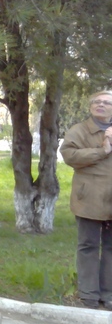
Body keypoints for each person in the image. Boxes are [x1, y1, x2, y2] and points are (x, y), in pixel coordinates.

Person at [59, 91, 112, 310]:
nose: (100, 105)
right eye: (96, 102)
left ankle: (108, 295)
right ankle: (89, 295)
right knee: (88, 245)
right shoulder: (79, 130)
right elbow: (69, 156)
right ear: (90, 106)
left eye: (106, 102)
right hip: (89, 197)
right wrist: (103, 150)